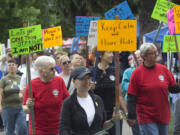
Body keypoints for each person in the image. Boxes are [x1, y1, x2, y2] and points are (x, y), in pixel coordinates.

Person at [127, 43, 180, 135]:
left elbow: (172, 89)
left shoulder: (164, 69)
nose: (156, 55)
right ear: (144, 56)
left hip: (163, 115)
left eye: (156, 52)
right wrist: (131, 116)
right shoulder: (137, 73)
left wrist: (179, 86)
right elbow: (131, 96)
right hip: (146, 116)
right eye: (152, 53)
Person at [60, 66, 122, 135]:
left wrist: (113, 120)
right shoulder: (68, 103)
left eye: (89, 78)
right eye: (82, 79)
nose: (87, 81)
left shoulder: (97, 99)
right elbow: (63, 130)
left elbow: (102, 126)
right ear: (74, 81)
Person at [23, 56, 69, 135]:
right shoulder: (31, 85)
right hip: (38, 129)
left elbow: (67, 101)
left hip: (58, 127)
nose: (55, 71)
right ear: (41, 71)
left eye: (55, 68)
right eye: (51, 69)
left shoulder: (59, 81)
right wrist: (28, 106)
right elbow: (25, 109)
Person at [94, 51, 127, 135]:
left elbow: (119, 95)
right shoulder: (92, 72)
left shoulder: (115, 71)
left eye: (112, 53)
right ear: (101, 55)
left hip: (114, 114)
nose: (112, 55)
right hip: (97, 115)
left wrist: (126, 113)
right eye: (109, 53)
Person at [0, 59, 27, 135]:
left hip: (20, 107)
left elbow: (24, 90)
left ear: (17, 66)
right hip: (7, 108)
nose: (11, 66)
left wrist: (23, 95)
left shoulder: (21, 78)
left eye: (13, 65)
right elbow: (0, 93)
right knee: (9, 130)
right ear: (7, 68)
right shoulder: (3, 79)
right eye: (9, 65)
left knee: (23, 127)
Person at [121, 50, 143, 135]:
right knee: (137, 130)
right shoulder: (128, 71)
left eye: (141, 57)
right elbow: (124, 87)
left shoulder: (148, 71)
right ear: (133, 60)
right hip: (133, 104)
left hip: (146, 104)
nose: (139, 59)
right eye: (137, 57)